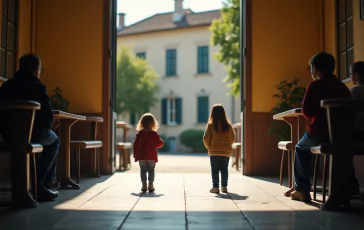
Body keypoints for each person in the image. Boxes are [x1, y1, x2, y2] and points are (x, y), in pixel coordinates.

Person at [288, 52, 352, 202]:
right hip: (342, 135)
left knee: (300, 148)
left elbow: (306, 112)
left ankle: (302, 190)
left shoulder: (315, 85)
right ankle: (348, 186)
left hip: (320, 132)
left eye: (310, 69)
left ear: (315, 68)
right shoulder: (342, 87)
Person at [0, 53, 59, 201]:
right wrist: (48, 126)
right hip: (32, 134)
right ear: (36, 69)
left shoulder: (7, 85)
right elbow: (48, 117)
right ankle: (41, 183)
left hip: (7, 135)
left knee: (44, 137)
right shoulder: (37, 86)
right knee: (54, 140)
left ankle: (41, 183)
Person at [203, 104, 235, 194]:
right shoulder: (228, 126)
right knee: (224, 169)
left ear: (212, 114)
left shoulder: (211, 125)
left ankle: (215, 187)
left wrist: (209, 146)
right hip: (226, 152)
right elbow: (232, 138)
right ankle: (224, 187)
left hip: (214, 152)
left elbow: (205, 138)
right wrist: (227, 146)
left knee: (215, 169)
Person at [133, 113, 164, 192]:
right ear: (153, 123)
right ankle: (151, 185)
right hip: (151, 156)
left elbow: (135, 145)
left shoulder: (139, 134)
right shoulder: (154, 134)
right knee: (151, 170)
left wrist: (135, 155)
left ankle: (144, 185)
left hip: (141, 156)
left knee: (143, 170)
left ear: (141, 123)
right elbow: (160, 143)